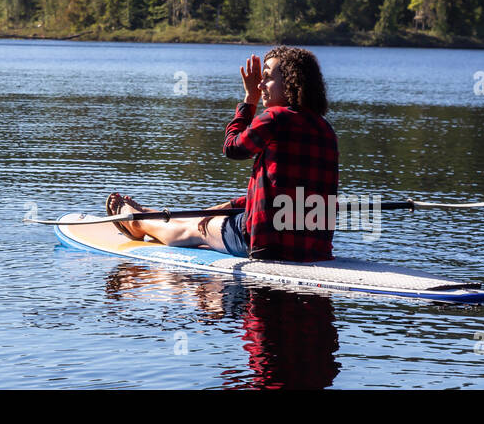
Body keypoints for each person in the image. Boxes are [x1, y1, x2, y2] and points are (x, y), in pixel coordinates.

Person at [107, 46, 338, 262]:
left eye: (266, 77)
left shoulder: (274, 118)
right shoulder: (326, 130)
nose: (259, 85)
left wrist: (249, 101)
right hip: (315, 248)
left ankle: (141, 225)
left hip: (268, 244)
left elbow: (232, 147)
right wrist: (228, 205)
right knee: (214, 215)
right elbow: (285, 192)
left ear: (290, 83)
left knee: (198, 228)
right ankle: (151, 213)